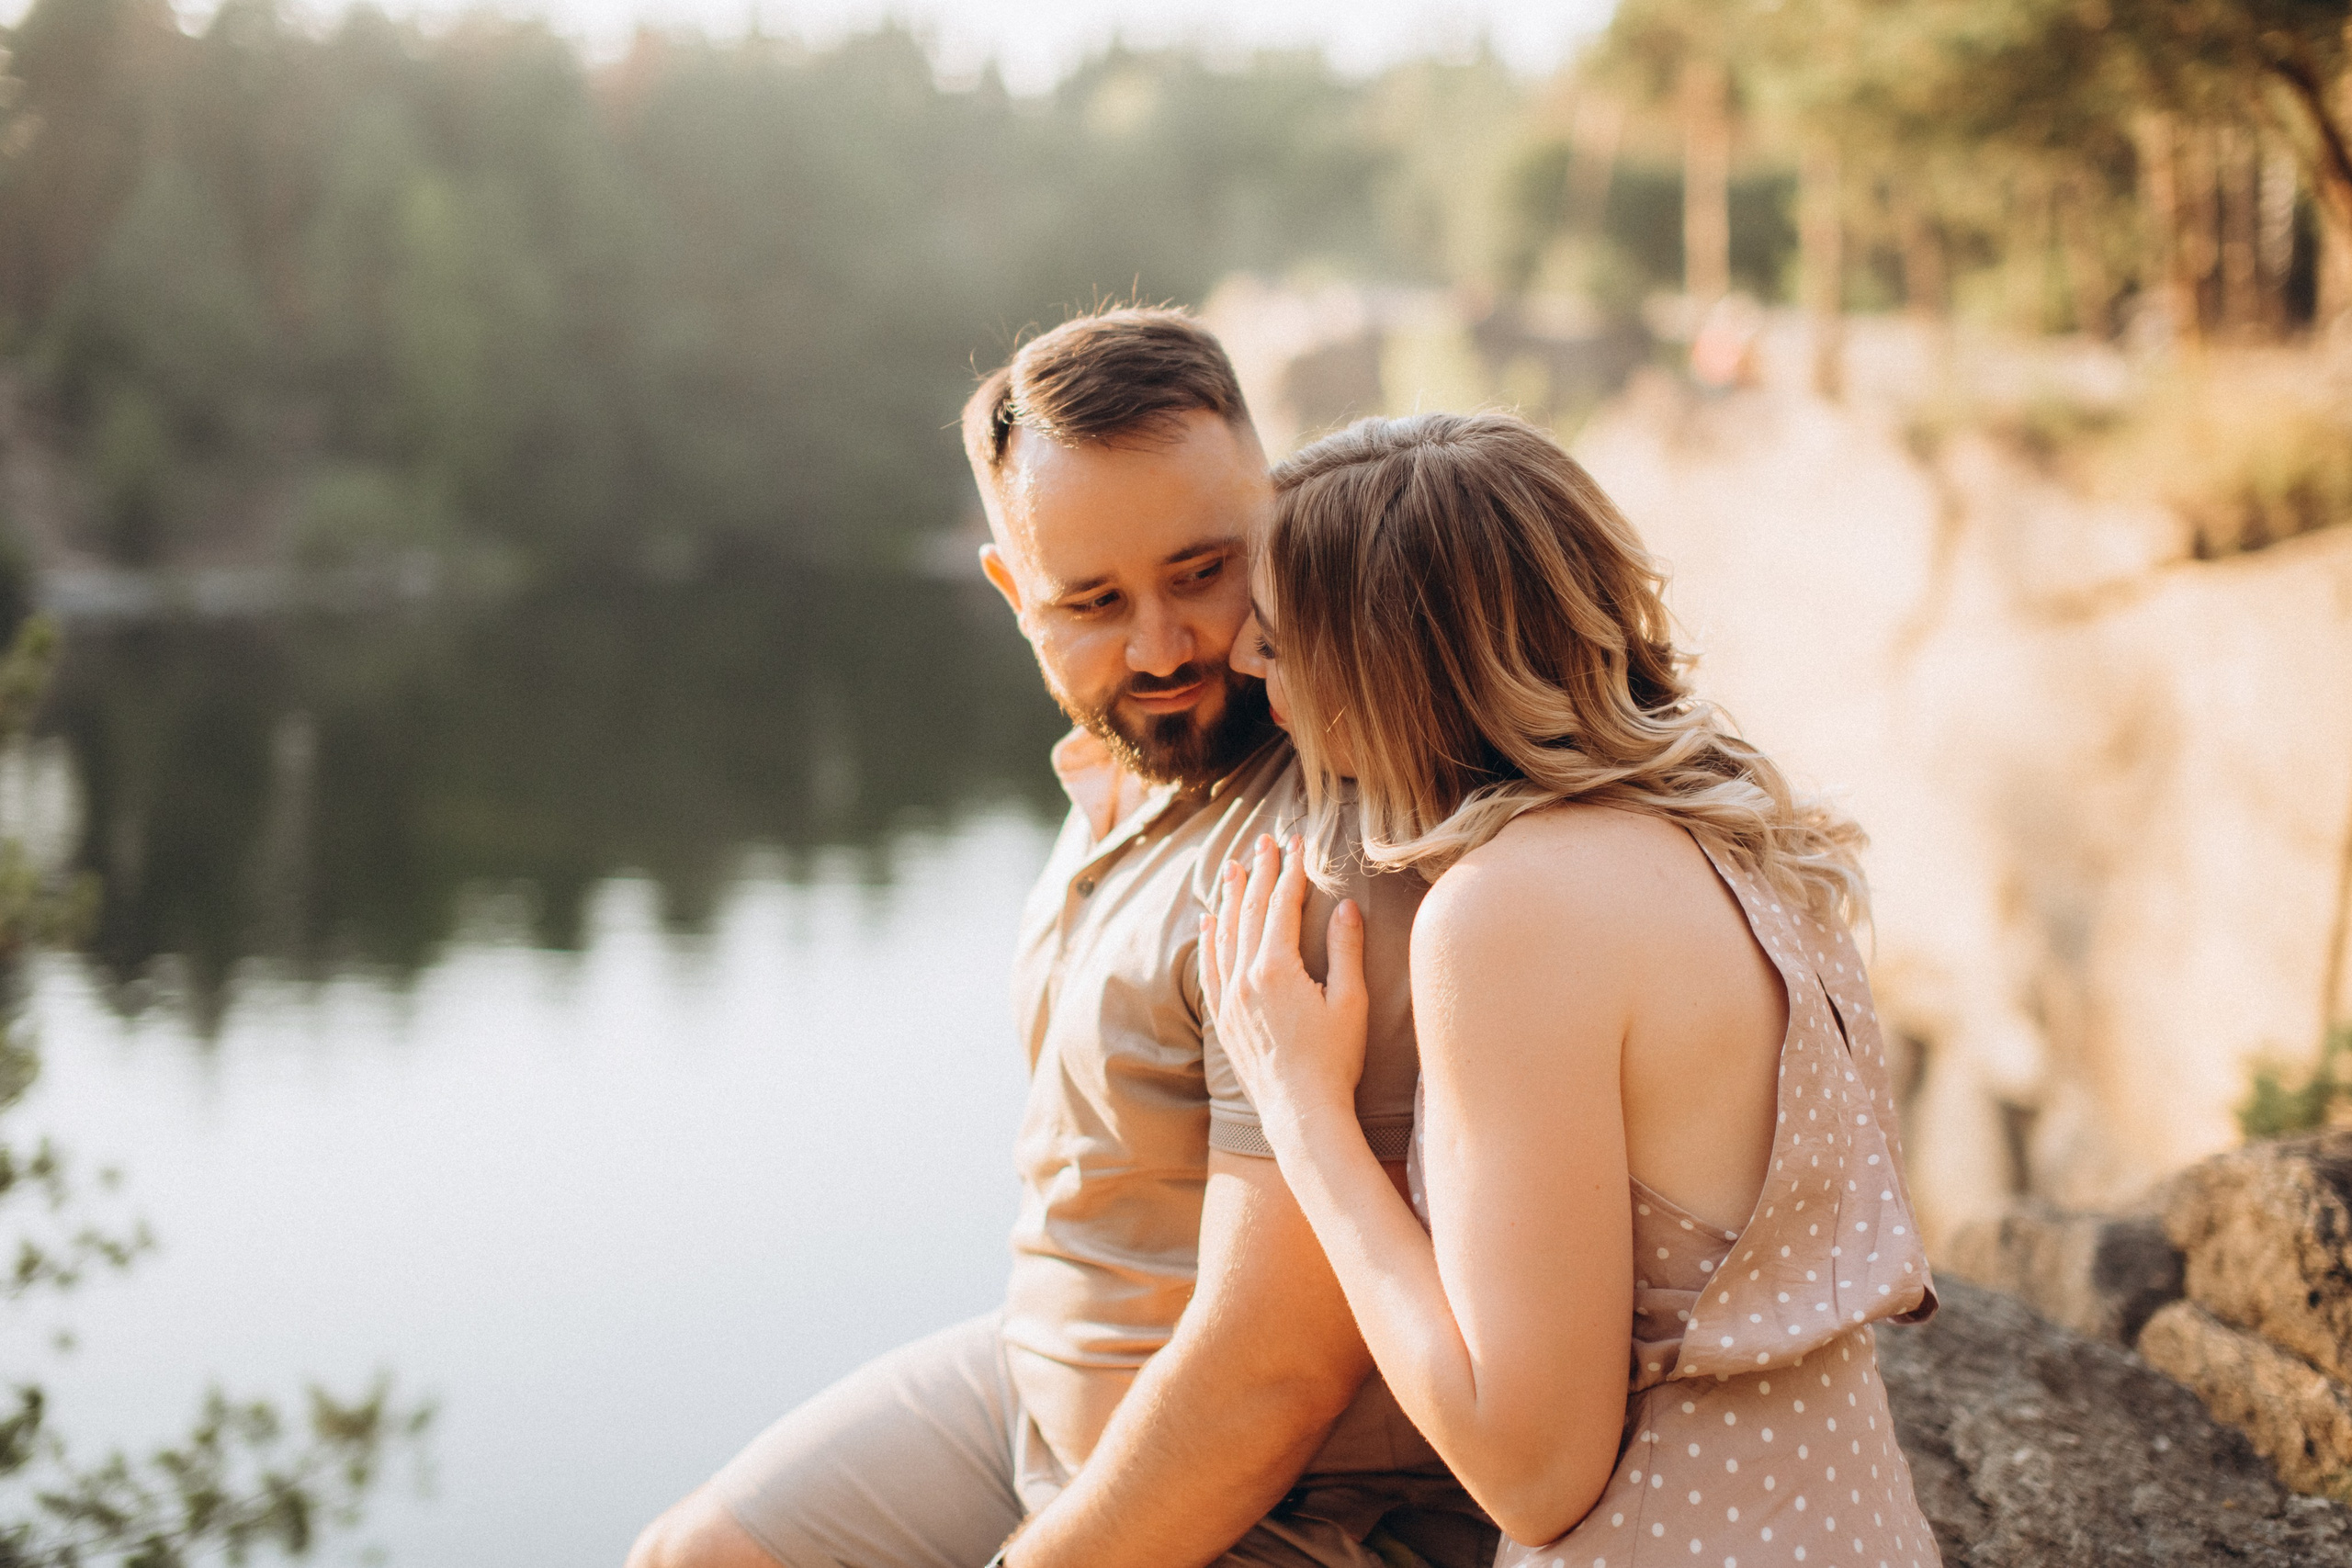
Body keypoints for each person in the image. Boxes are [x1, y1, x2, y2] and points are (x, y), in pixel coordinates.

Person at [627, 311, 1495, 1568]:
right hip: (1034, 1385)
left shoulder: (1309, 861)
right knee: (695, 1556)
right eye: (1092, 601)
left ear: (1280, 515)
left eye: (1204, 571)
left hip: (1281, 1506)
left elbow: (1275, 1374)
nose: (1163, 648)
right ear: (1011, 591)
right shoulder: (1122, 772)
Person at [1199, 412, 1939, 1568]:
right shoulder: (1753, 841)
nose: (1246, 661)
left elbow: (1534, 1471)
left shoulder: (1506, 917)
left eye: (1281, 638)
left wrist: (1300, 1109)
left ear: (1392, 659)